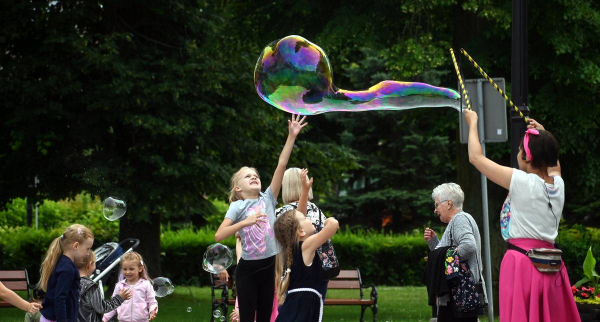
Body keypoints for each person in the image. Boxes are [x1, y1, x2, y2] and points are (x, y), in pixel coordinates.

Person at [464, 110, 579, 321]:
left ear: (527, 157)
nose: (518, 154)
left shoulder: (522, 181)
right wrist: (543, 134)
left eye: (519, 150)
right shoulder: (558, 185)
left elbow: (475, 158)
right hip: (551, 266)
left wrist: (472, 124)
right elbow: (555, 165)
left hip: (522, 264)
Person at [215, 114, 307, 322]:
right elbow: (219, 235)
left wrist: (292, 136)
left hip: (268, 268)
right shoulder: (237, 206)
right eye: (248, 176)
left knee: (265, 318)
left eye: (255, 175)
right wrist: (244, 222)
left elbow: (281, 165)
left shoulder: (268, 198)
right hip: (247, 271)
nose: (254, 177)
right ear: (238, 188)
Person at [274, 169, 339, 322]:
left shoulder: (297, 245)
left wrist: (305, 190)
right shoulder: (307, 245)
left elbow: (299, 218)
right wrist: (328, 221)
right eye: (306, 219)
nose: (310, 220)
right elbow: (333, 224)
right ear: (301, 231)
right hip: (303, 303)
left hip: (301, 301)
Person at [423, 183, 486, 322]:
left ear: (449, 204)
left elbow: (469, 246)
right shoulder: (458, 221)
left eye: (437, 204)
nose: (435, 210)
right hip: (460, 294)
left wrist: (446, 259)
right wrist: (434, 243)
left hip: (459, 293)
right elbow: (446, 255)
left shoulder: (460, 219)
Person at [38, 224, 94, 322]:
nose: (88, 253)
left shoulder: (63, 263)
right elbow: (60, 298)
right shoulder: (68, 269)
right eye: (87, 248)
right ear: (76, 246)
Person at [77, 250, 132, 322]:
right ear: (90, 264)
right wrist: (119, 298)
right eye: (95, 263)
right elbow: (101, 308)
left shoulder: (70, 282)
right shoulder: (91, 287)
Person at [102, 252, 158, 322]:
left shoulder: (146, 285)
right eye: (125, 269)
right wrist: (104, 318)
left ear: (140, 268)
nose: (127, 272)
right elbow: (114, 304)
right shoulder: (119, 286)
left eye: (131, 269)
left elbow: (152, 301)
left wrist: (152, 310)